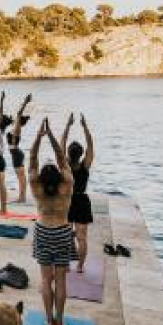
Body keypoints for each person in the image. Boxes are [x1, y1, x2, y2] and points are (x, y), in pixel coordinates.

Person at [29, 118, 77, 325]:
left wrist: (38, 138)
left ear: (42, 175)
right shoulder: (67, 184)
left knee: (45, 279)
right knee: (60, 280)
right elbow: (61, 157)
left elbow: (32, 158)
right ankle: (60, 320)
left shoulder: (36, 185)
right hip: (63, 232)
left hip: (43, 232)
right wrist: (50, 136)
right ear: (58, 173)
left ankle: (48, 319)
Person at [62, 113, 95, 273]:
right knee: (82, 238)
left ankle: (67, 265)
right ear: (81, 154)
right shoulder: (85, 166)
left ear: (68, 154)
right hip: (82, 201)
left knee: (66, 236)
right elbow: (90, 145)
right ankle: (80, 267)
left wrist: (68, 126)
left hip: (67, 201)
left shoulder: (65, 165)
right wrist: (85, 127)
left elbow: (61, 143)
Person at [8, 94, 34, 204]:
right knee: (21, 176)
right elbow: (18, 115)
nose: (14, 119)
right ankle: (21, 196)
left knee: (21, 177)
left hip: (16, 154)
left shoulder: (17, 128)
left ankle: (22, 197)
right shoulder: (15, 127)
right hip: (16, 153)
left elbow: (19, 114)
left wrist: (25, 102)